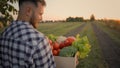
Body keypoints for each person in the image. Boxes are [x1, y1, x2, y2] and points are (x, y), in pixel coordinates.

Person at [0, 0, 56, 68]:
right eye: (40, 14)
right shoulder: (39, 40)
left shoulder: (3, 34)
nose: (41, 18)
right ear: (28, 11)